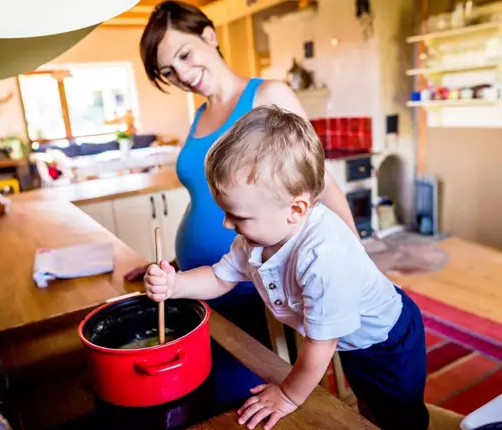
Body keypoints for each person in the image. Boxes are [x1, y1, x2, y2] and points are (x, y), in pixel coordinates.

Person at [143, 106, 436, 430]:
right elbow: (219, 278)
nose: (226, 225)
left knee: (405, 423)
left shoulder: (323, 257)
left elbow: (320, 345)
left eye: (238, 216)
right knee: (371, 410)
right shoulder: (254, 239)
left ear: (295, 210)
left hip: (387, 343)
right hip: (351, 342)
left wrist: (286, 395)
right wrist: (176, 284)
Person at [129, 0, 359, 347]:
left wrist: (355, 255)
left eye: (185, 55)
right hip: (198, 282)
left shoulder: (268, 95)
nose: (183, 75)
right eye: (168, 72)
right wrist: (173, 269)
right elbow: (208, 201)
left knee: (253, 383)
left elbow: (320, 181)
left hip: (251, 282)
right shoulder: (199, 117)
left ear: (209, 36)